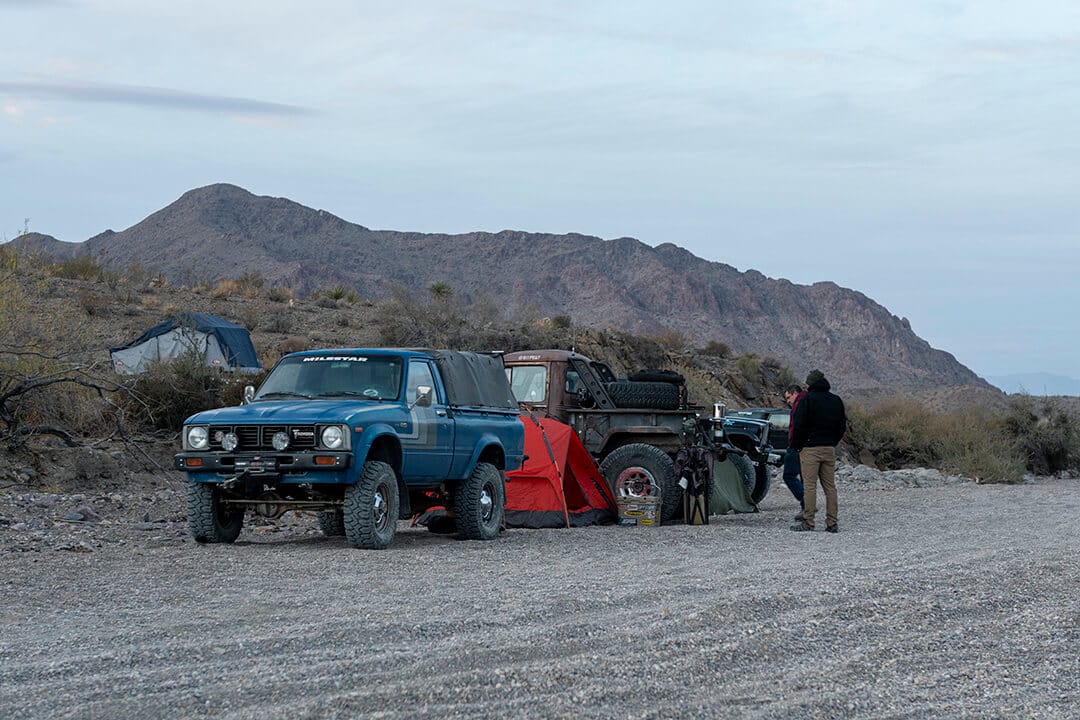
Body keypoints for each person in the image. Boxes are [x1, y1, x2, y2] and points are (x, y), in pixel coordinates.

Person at [790, 369, 846, 533]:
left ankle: (809, 522)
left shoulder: (806, 400)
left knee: (809, 486)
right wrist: (832, 442)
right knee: (830, 487)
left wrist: (798, 445)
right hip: (829, 448)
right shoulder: (836, 400)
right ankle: (832, 523)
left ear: (811, 383)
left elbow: (799, 425)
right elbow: (841, 426)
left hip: (810, 449)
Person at [781, 384, 806, 518]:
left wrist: (793, 444)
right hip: (807, 447)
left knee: (789, 475)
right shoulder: (808, 401)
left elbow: (797, 426)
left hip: (796, 446)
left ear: (795, 393)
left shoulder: (799, 405)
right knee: (804, 477)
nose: (788, 401)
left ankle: (807, 504)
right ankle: (806, 508)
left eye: (789, 397)